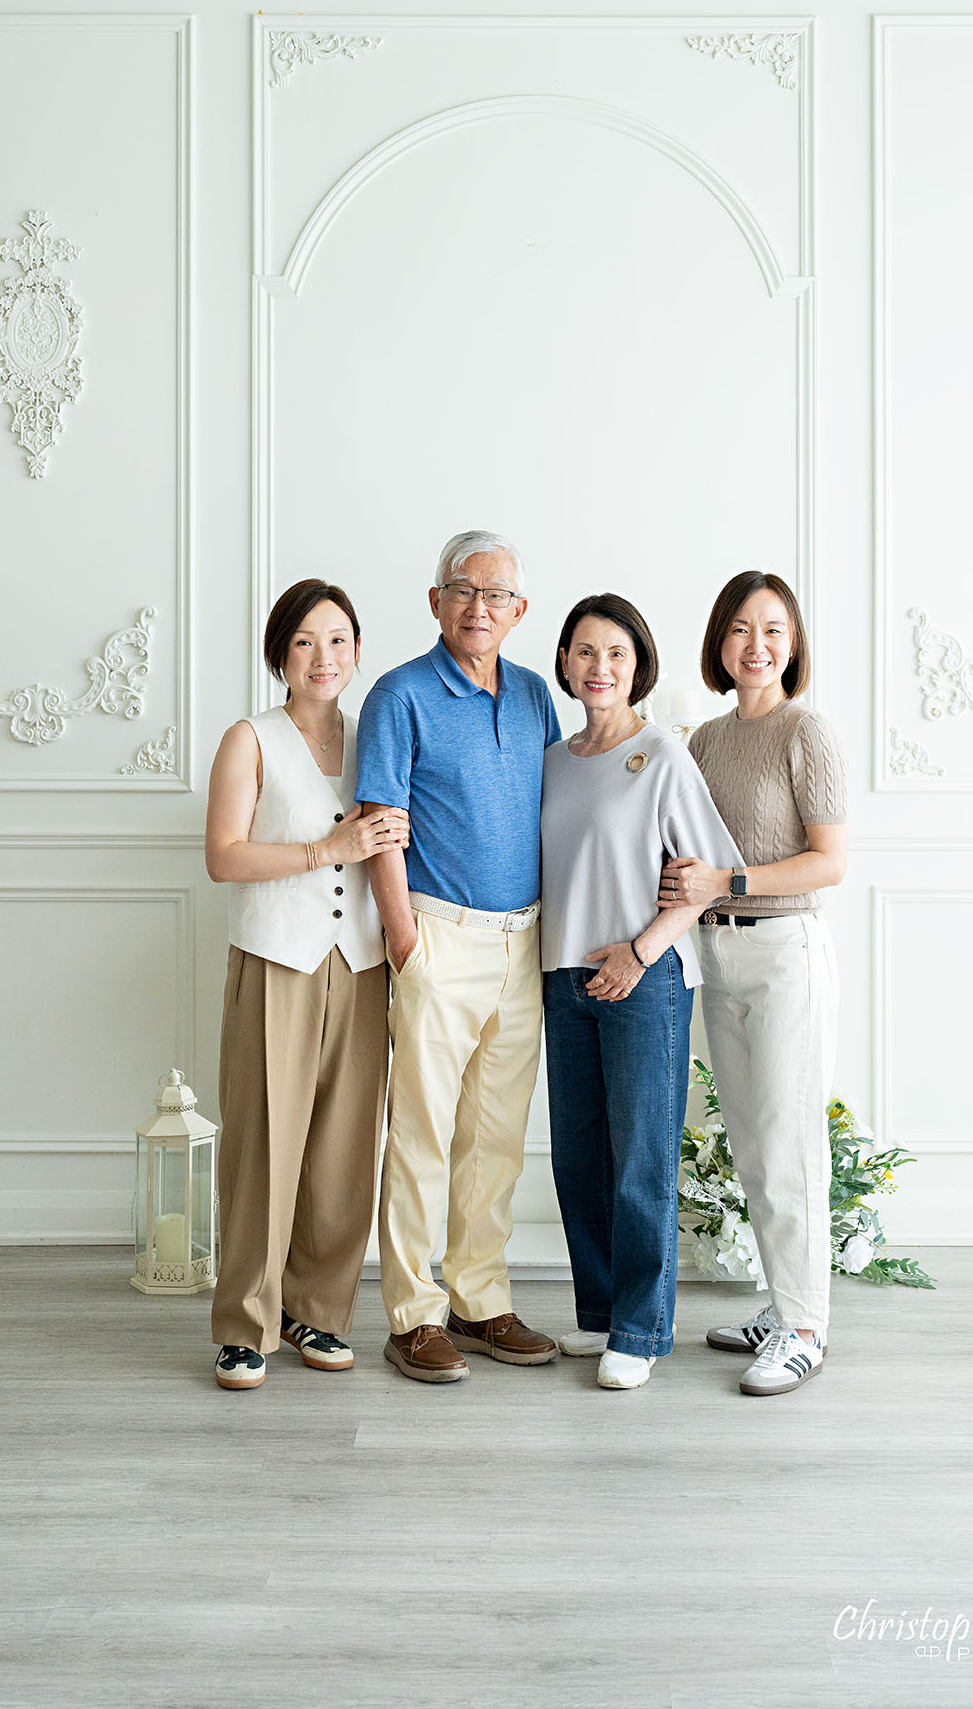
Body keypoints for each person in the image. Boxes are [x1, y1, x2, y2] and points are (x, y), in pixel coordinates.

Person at [355, 530, 562, 1384]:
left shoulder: (535, 695)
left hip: (526, 939)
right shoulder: (400, 695)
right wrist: (405, 939)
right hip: (438, 934)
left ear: (520, 611)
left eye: (497, 595)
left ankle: (480, 1301)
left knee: (496, 1138)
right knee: (421, 1135)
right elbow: (378, 824)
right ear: (435, 601)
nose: (480, 608)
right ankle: (413, 1314)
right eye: (463, 590)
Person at [204, 579, 409, 1390]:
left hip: (359, 965)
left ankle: (317, 1313)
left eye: (338, 640)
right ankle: (243, 1325)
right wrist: (331, 849)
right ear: (280, 656)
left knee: (343, 1151)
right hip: (276, 962)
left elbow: (391, 836)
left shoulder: (376, 737)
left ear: (358, 651)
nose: (323, 657)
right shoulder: (249, 739)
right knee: (264, 1146)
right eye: (304, 642)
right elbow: (225, 856)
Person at [541, 594, 742, 1389]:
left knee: (641, 1160)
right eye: (586, 652)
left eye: (616, 654)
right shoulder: (554, 760)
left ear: (638, 666)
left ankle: (643, 1328)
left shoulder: (662, 755)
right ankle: (602, 1316)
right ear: (565, 663)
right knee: (579, 1158)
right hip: (564, 977)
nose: (600, 668)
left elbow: (704, 882)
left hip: (647, 979)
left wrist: (638, 951)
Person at [659, 570, 847, 1397]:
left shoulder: (808, 733)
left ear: (794, 644)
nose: (756, 645)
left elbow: (828, 862)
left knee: (788, 1142)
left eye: (773, 630)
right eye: (740, 629)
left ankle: (806, 1328)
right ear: (719, 643)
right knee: (749, 1139)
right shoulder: (703, 741)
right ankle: (783, 1305)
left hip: (784, 954)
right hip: (716, 953)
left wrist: (726, 884)